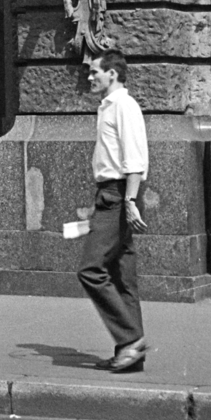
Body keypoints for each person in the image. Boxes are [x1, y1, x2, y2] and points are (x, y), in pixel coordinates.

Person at [78, 49, 149, 372]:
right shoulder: (108, 106)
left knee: (91, 270)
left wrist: (130, 201)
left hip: (120, 196)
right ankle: (129, 351)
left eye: (95, 72)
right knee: (122, 276)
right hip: (110, 195)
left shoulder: (124, 106)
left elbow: (134, 159)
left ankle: (132, 338)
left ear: (113, 74)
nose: (90, 77)